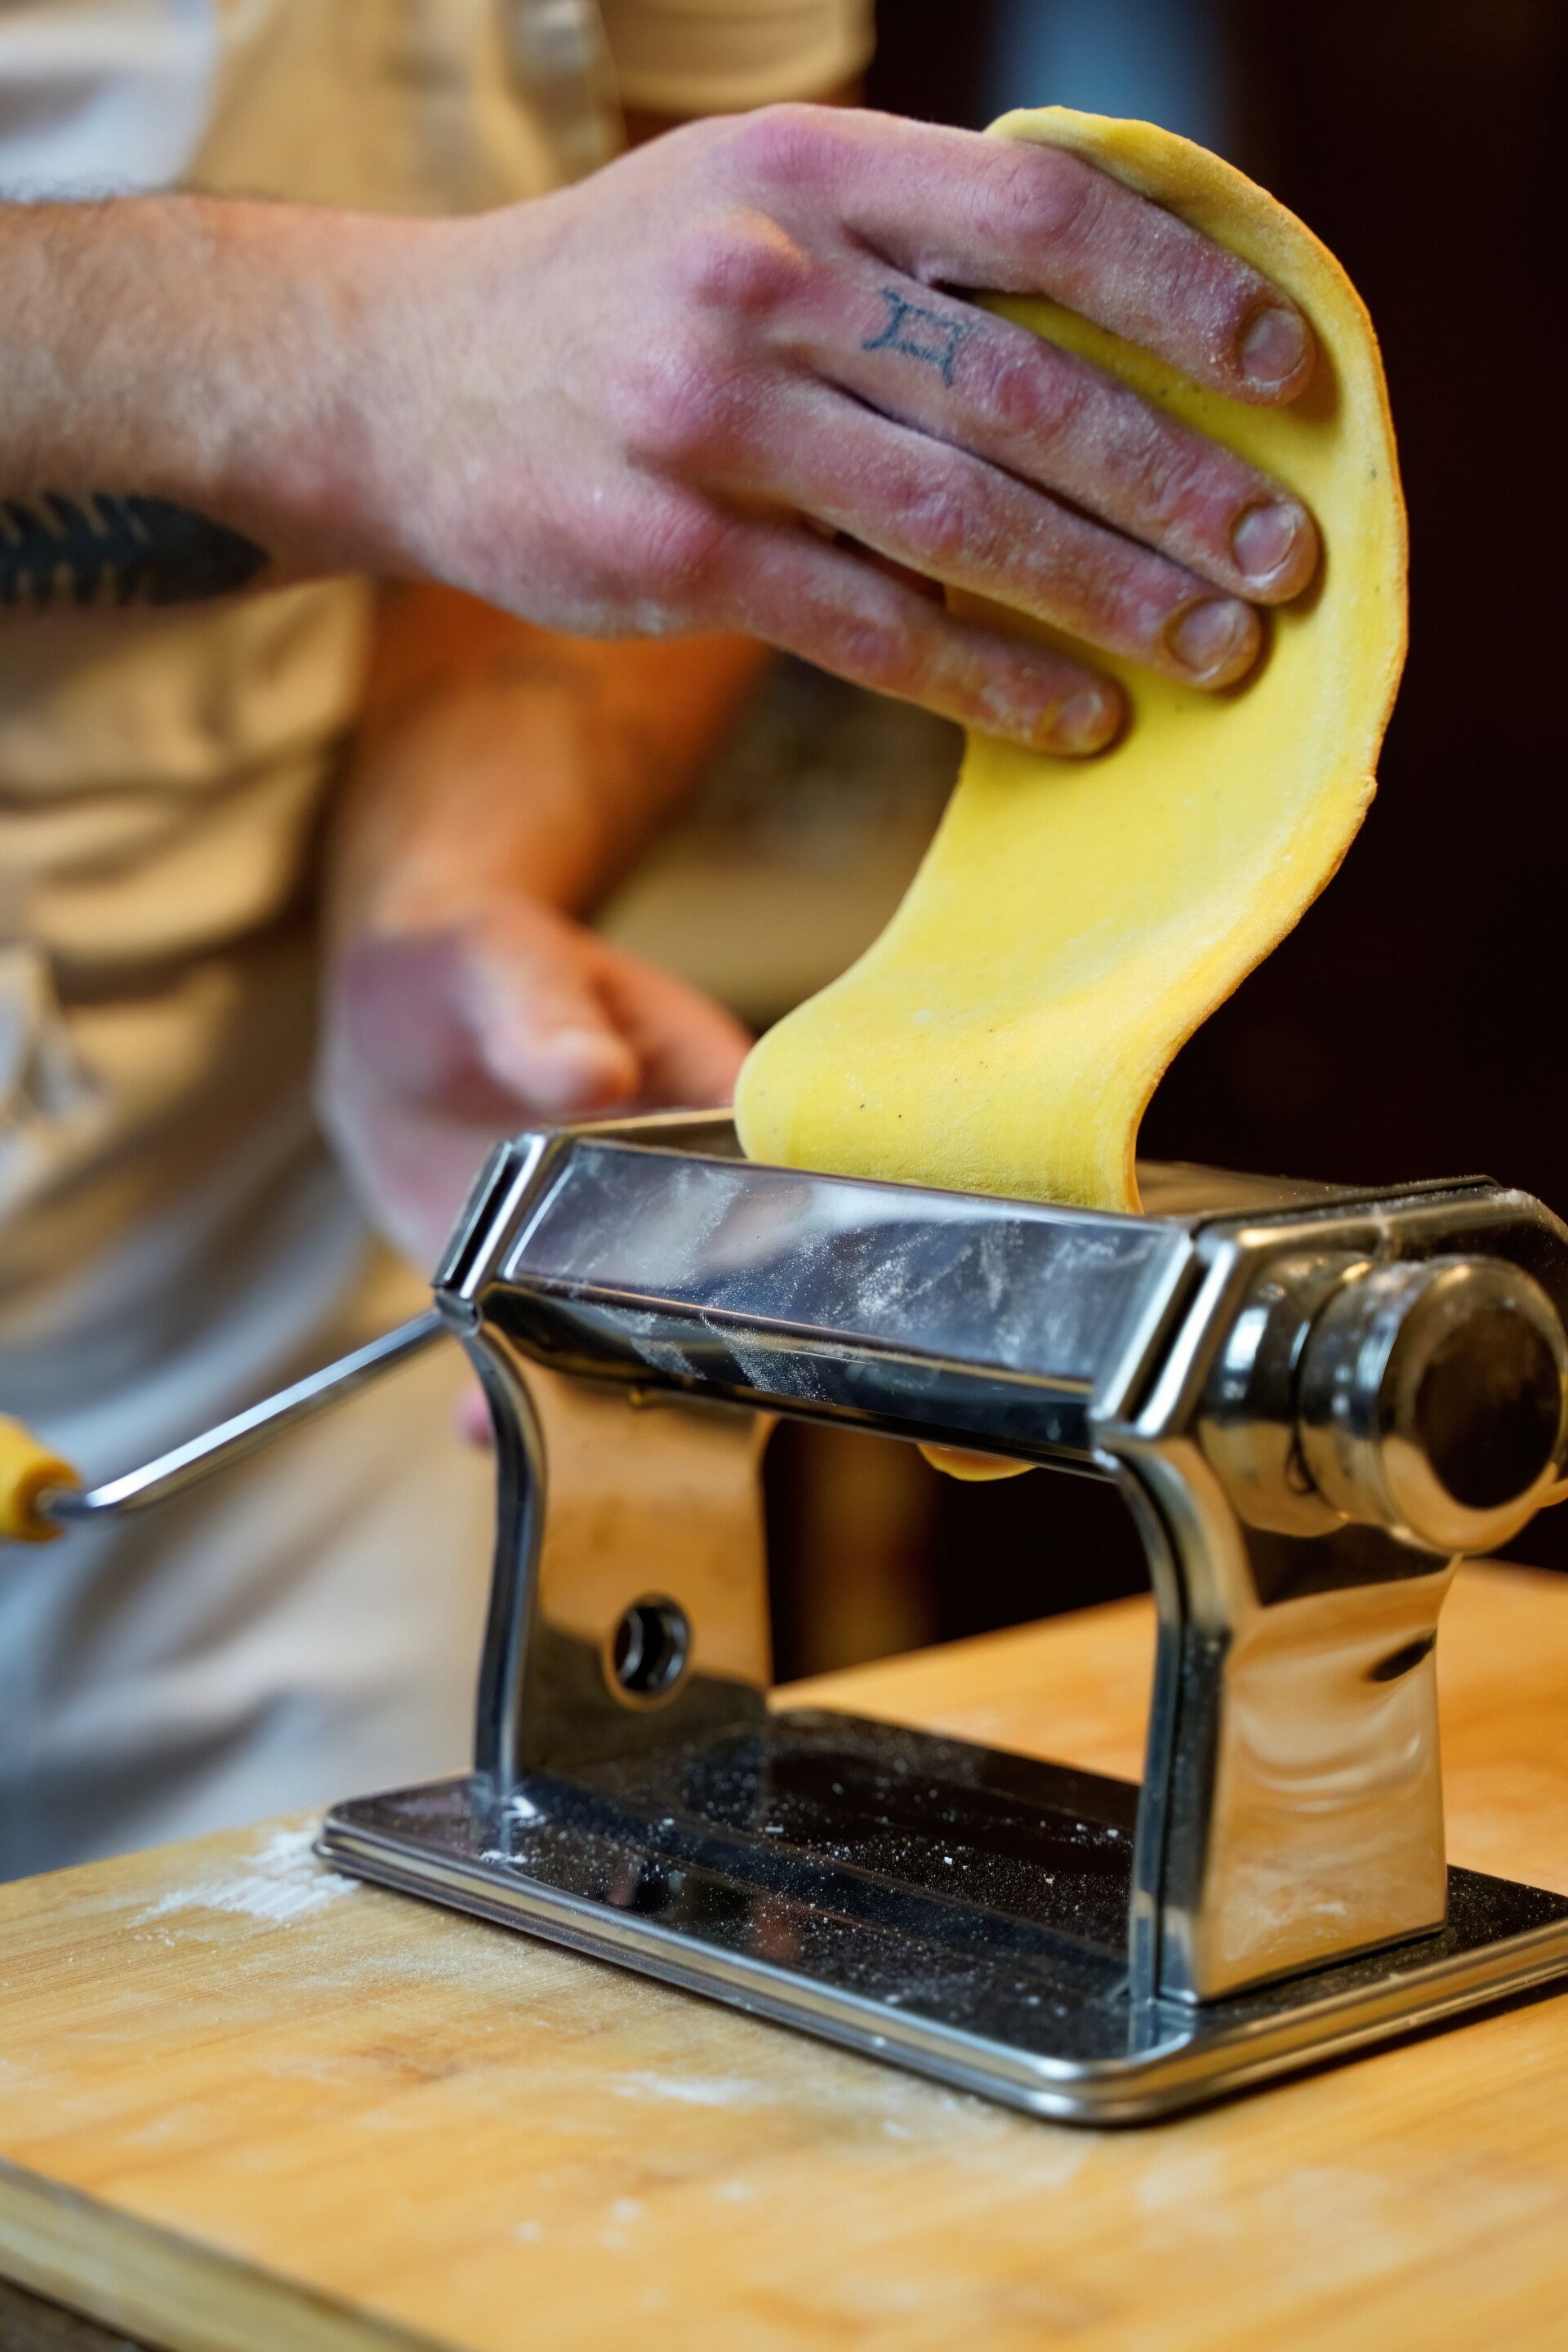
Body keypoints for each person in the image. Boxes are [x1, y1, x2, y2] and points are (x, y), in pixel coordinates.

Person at [0, 0, 1320, 1877]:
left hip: (284, 1235)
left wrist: (445, 889)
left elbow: (681, 409)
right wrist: (366, 356)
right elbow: (466, 365)